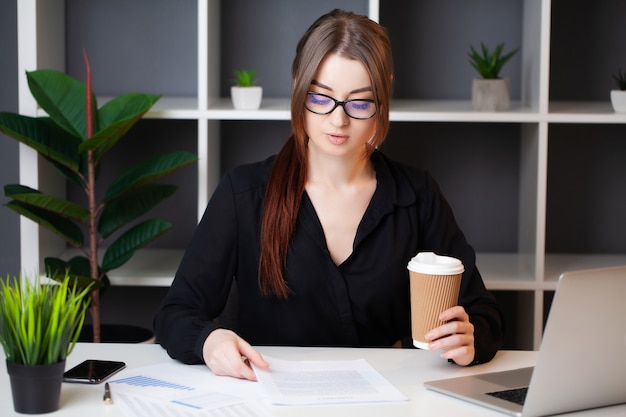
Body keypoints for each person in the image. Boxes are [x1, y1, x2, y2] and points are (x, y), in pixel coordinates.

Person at [154, 8, 503, 381]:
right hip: (272, 398)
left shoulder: (417, 196)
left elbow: (483, 313)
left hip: (392, 401)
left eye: (360, 102)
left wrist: (469, 338)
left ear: (384, 95)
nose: (338, 121)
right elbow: (175, 314)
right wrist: (209, 342)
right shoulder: (244, 194)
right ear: (297, 85)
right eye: (320, 98)